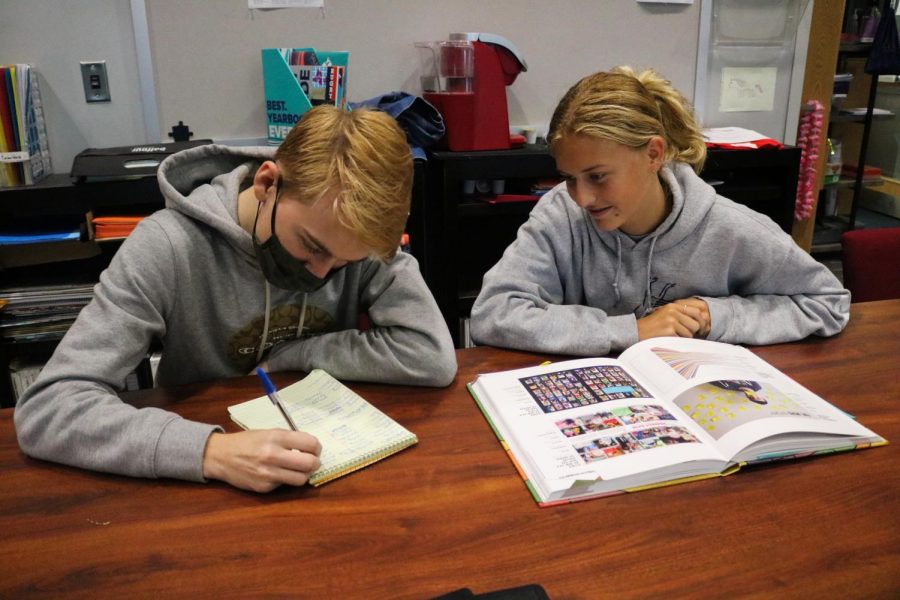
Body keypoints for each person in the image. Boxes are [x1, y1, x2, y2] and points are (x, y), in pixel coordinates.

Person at [15, 105, 457, 493]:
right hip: (204, 473)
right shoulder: (168, 246)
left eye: (344, 264)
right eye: (312, 247)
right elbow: (50, 408)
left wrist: (295, 355)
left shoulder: (350, 232)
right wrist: (210, 452)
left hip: (322, 461)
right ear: (267, 184)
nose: (322, 274)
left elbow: (431, 356)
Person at [470, 66, 849, 356]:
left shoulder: (730, 227)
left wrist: (716, 315)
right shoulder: (560, 215)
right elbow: (493, 314)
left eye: (598, 176)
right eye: (569, 178)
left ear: (653, 153)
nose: (582, 199)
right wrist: (635, 330)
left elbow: (828, 302)